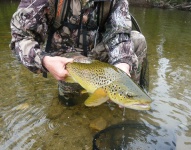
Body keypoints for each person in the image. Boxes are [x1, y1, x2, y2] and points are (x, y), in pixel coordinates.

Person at [10, 0, 148, 106]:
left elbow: (119, 33)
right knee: (69, 104)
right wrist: (45, 61)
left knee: (138, 40)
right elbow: (20, 38)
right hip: (66, 61)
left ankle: (128, 99)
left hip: (99, 52)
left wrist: (122, 65)